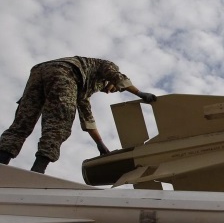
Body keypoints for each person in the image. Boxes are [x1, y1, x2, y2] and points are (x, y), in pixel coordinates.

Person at [0, 56, 156, 174]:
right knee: (59, 123)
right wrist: (140, 93)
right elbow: (116, 75)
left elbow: (87, 118)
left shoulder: (83, 91)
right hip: (66, 72)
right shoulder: (106, 67)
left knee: (22, 122)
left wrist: (100, 144)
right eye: (115, 89)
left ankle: (2, 161)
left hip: (39, 72)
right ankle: (37, 171)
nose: (111, 91)